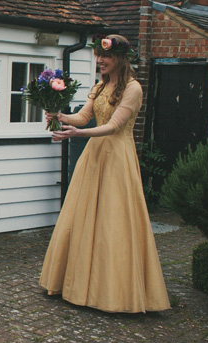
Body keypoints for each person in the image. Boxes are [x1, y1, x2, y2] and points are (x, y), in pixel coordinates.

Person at [38, 34, 170, 313]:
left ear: (120, 59)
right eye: (99, 55)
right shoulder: (100, 87)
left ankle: (112, 292)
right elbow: (84, 117)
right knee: (83, 217)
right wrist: (61, 117)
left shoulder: (133, 89)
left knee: (112, 221)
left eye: (106, 56)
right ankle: (76, 285)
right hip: (95, 157)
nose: (101, 60)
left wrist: (80, 134)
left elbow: (114, 126)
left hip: (117, 158)